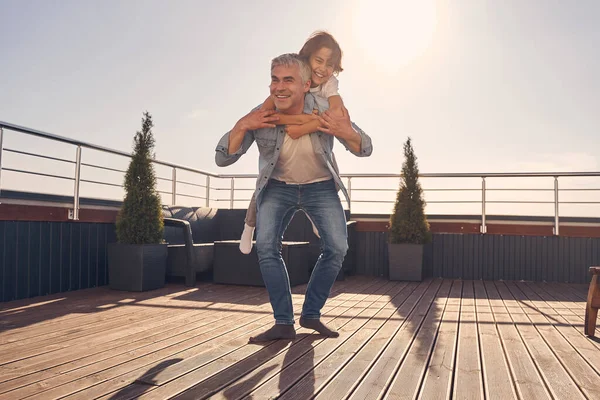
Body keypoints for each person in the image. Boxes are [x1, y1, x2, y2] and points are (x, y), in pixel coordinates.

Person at [215, 52, 372, 342]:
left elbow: (365, 147)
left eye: (288, 80)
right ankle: (283, 322)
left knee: (337, 248)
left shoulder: (324, 108)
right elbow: (223, 159)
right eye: (274, 80)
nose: (279, 87)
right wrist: (241, 125)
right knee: (266, 247)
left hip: (321, 186)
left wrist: (344, 130)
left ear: (305, 85)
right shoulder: (261, 113)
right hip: (278, 186)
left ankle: (311, 313)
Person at [239, 31, 345, 254]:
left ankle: (317, 219)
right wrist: (304, 121)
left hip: (314, 146)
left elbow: (338, 114)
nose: (323, 69)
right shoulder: (293, 76)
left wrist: (310, 125)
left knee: (321, 175)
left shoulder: (329, 84)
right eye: (318, 60)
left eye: (330, 64)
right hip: (284, 143)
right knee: (265, 183)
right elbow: (267, 114)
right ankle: (248, 227)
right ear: (307, 58)